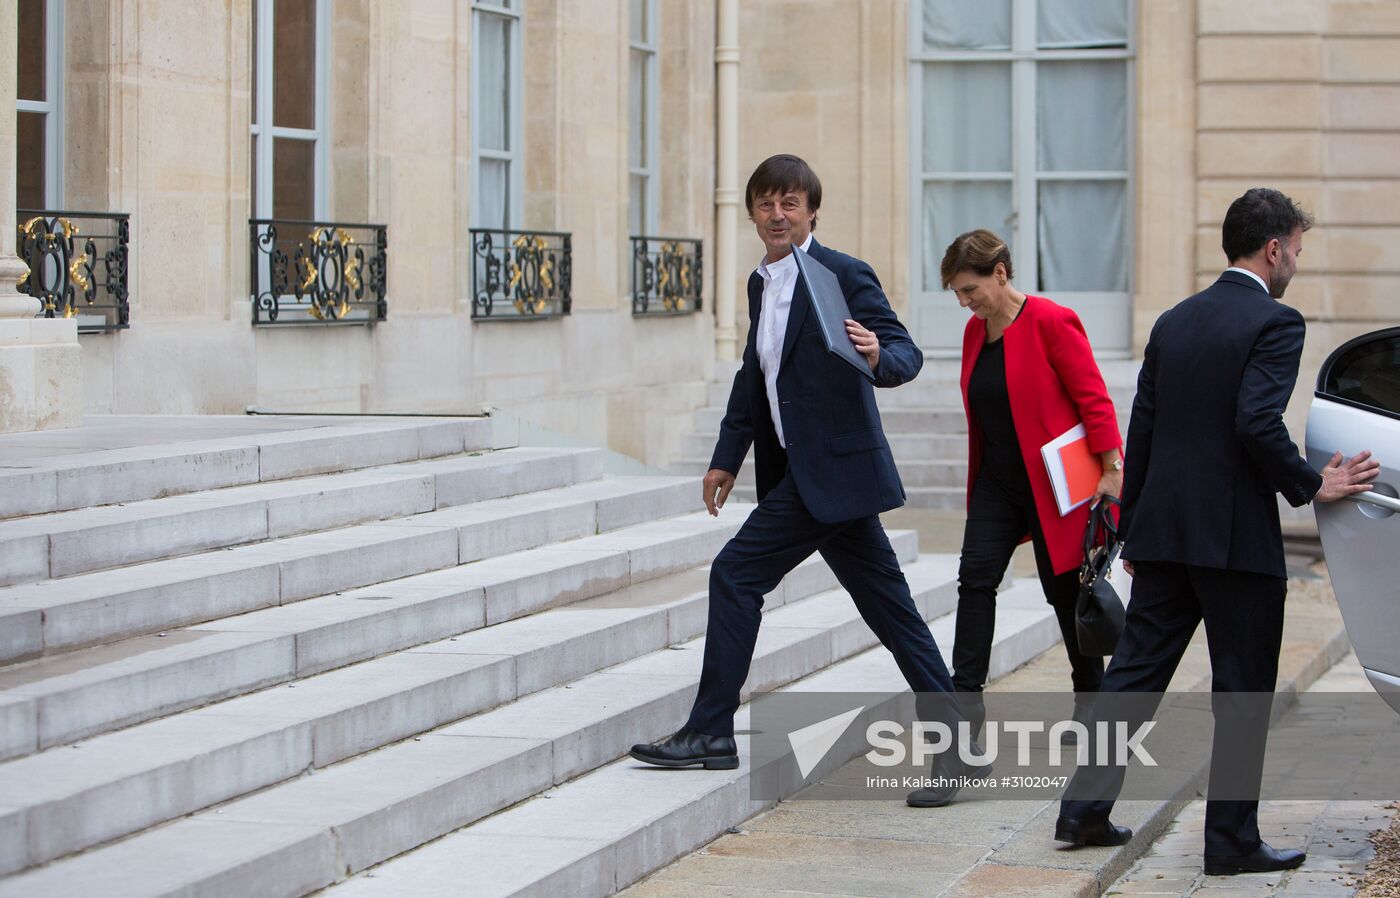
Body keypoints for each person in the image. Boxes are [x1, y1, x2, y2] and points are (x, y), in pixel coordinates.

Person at [1054, 188, 1380, 875]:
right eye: (1295, 247)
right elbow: (1256, 424)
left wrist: (1136, 529)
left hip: (1166, 533)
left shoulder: (1174, 321)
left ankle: (1083, 811)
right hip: (1234, 540)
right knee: (1242, 690)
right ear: (1272, 248)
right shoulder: (1275, 322)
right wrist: (1310, 483)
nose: (1296, 259)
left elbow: (1142, 431)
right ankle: (1229, 841)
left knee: (1134, 677)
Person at [630, 155, 970, 801]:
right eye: (765, 204)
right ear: (754, 212)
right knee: (892, 613)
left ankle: (709, 732)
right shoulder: (762, 283)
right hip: (813, 480)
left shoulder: (841, 274)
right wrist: (728, 454)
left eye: (790, 203)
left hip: (833, 471)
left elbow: (905, 350)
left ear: (812, 210)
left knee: (736, 573)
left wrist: (876, 354)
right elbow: (753, 375)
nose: (777, 215)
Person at [937, 230, 1122, 747]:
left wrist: (1112, 467)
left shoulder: (1051, 322)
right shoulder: (976, 334)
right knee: (974, 583)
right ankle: (965, 712)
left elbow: (1095, 400)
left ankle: (1090, 696)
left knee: (1064, 592)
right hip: (998, 484)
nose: (964, 303)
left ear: (1000, 272)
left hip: (1055, 487)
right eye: (956, 293)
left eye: (970, 290)